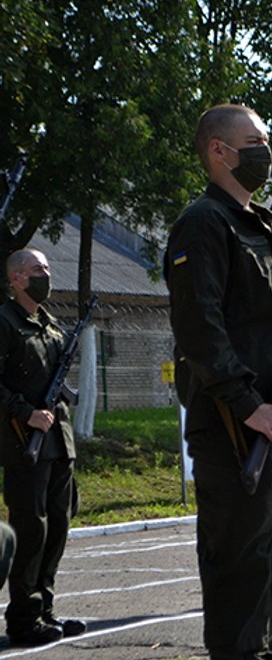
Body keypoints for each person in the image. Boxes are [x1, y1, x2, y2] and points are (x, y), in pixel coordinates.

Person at [166, 104, 272, 660]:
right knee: (238, 560)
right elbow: (198, 326)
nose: (265, 149)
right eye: (253, 139)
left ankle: (264, 649)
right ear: (219, 152)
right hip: (235, 426)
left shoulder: (266, 226)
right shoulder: (204, 223)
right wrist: (246, 401)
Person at [0, 249, 86, 646]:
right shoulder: (4, 322)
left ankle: (45, 609)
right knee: (31, 530)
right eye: (36, 270)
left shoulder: (51, 327)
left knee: (58, 527)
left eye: (47, 269)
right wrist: (24, 412)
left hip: (58, 445)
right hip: (24, 445)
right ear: (15, 279)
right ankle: (23, 618)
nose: (44, 276)